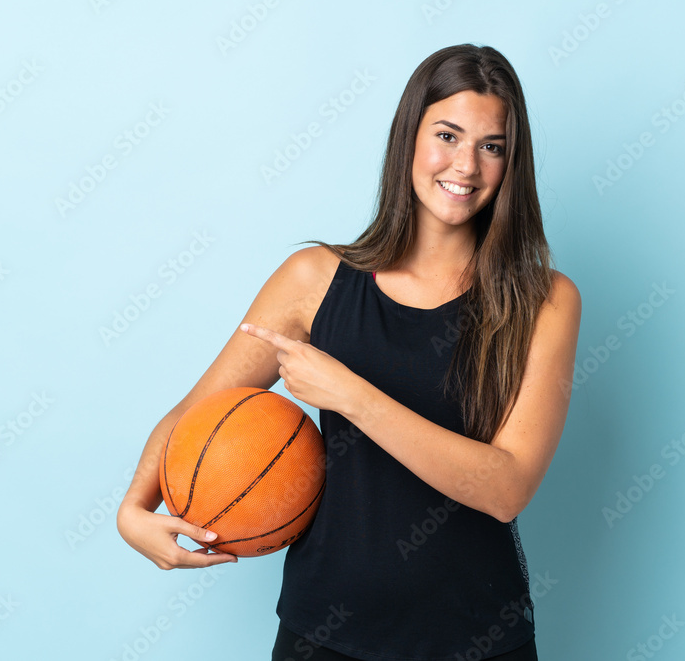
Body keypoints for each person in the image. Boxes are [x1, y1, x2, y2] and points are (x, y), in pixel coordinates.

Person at [117, 43, 581, 660]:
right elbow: (194, 416)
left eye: (491, 146)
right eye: (447, 135)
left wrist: (351, 395)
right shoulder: (313, 279)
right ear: (409, 137)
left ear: (510, 162)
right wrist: (133, 509)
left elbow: (506, 488)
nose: (466, 165)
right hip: (323, 635)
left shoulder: (545, 300)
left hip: (479, 636)